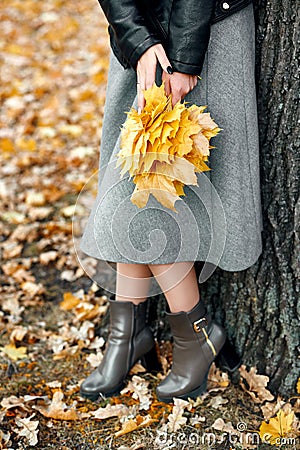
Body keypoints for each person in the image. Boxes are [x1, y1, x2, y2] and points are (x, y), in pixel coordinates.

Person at [78, 0, 263, 403]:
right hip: (142, 37)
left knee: (154, 194)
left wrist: (184, 57)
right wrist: (138, 40)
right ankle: (133, 336)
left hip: (205, 29)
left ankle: (184, 337)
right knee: (136, 187)